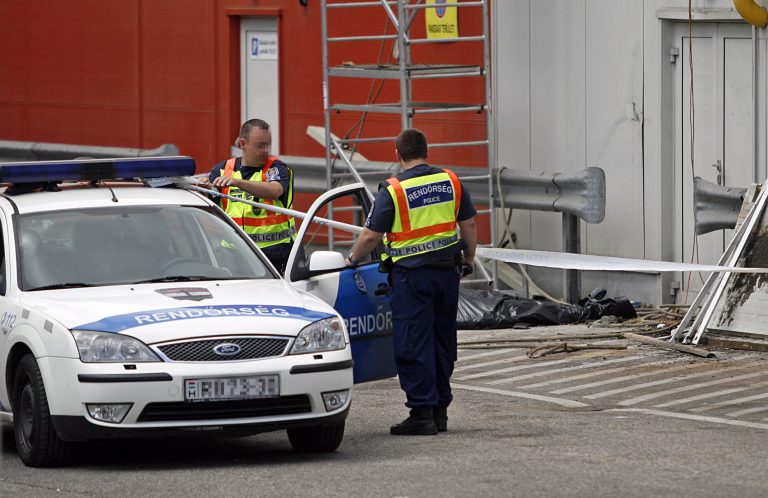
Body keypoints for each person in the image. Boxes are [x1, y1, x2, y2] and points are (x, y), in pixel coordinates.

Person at [345, 128, 477, 436]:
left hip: (411, 278)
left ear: (398, 154)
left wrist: (351, 260)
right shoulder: (451, 181)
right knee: (442, 340)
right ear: (426, 151)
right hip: (447, 274)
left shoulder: (393, 190)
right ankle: (440, 411)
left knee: (413, 343)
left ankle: (422, 413)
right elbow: (469, 224)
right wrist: (469, 259)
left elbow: (371, 236)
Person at [204, 119, 296, 274]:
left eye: (268, 145)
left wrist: (238, 182)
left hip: (274, 255)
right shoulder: (222, 170)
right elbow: (207, 206)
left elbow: (275, 190)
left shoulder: (276, 168)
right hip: (234, 255)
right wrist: (204, 189)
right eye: (260, 145)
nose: (265, 150)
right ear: (243, 144)